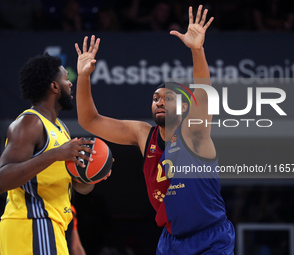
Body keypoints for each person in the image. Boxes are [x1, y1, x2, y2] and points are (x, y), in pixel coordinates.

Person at [75, 5, 235, 254]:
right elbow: (90, 121)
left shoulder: (195, 133)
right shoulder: (143, 134)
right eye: (155, 98)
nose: (159, 102)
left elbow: (204, 92)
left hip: (209, 237)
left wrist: (197, 49)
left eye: (167, 98)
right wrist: (83, 78)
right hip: (170, 240)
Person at [0, 53, 109, 255]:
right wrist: (55, 154)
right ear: (54, 87)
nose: (70, 84)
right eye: (66, 78)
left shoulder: (61, 129)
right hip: (31, 224)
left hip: (52, 226)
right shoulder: (29, 123)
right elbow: (0, 181)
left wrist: (93, 174)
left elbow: (79, 188)